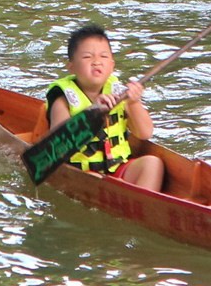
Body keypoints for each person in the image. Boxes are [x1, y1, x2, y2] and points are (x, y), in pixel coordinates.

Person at [45, 23, 164, 192]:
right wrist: (92, 112)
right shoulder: (63, 98)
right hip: (82, 172)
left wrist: (134, 103)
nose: (96, 62)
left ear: (112, 65)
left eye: (103, 56)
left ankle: (143, 203)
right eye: (87, 57)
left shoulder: (119, 93)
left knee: (152, 163)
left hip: (117, 169)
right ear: (71, 66)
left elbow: (145, 133)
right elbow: (59, 145)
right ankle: (125, 197)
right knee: (94, 179)